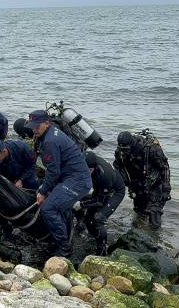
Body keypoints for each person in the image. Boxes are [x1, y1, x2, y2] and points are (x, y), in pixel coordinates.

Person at [28, 110, 92, 256]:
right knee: (49, 198)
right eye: (32, 126)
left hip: (78, 181)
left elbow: (53, 172)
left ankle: (64, 247)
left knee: (48, 209)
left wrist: (43, 192)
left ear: (46, 123)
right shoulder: (45, 134)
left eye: (37, 126)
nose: (34, 129)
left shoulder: (51, 141)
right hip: (66, 178)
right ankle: (61, 234)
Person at [113, 130, 171, 230]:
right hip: (137, 184)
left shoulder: (151, 149)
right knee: (139, 212)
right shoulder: (120, 152)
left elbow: (164, 167)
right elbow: (117, 167)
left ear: (132, 144)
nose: (124, 151)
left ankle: (155, 239)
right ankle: (138, 233)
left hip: (154, 184)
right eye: (121, 148)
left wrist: (166, 189)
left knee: (154, 213)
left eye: (126, 149)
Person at [73, 151, 125, 255]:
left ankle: (102, 250)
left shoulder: (103, 175)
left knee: (98, 219)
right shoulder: (82, 164)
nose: (86, 173)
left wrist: (82, 204)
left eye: (89, 170)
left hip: (115, 191)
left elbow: (99, 202)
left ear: (94, 167)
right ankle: (88, 232)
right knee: (88, 216)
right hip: (100, 187)